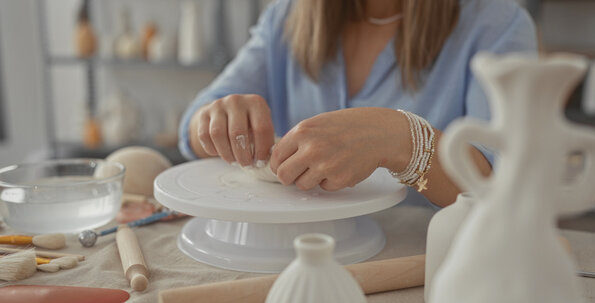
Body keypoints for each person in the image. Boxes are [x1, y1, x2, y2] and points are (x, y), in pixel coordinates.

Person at [179, 0, 537, 208]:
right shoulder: (286, 15)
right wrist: (215, 120)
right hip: (289, 256)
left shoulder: (497, 23)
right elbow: (194, 128)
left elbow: (500, 187)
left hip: (425, 268)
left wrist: (402, 141)